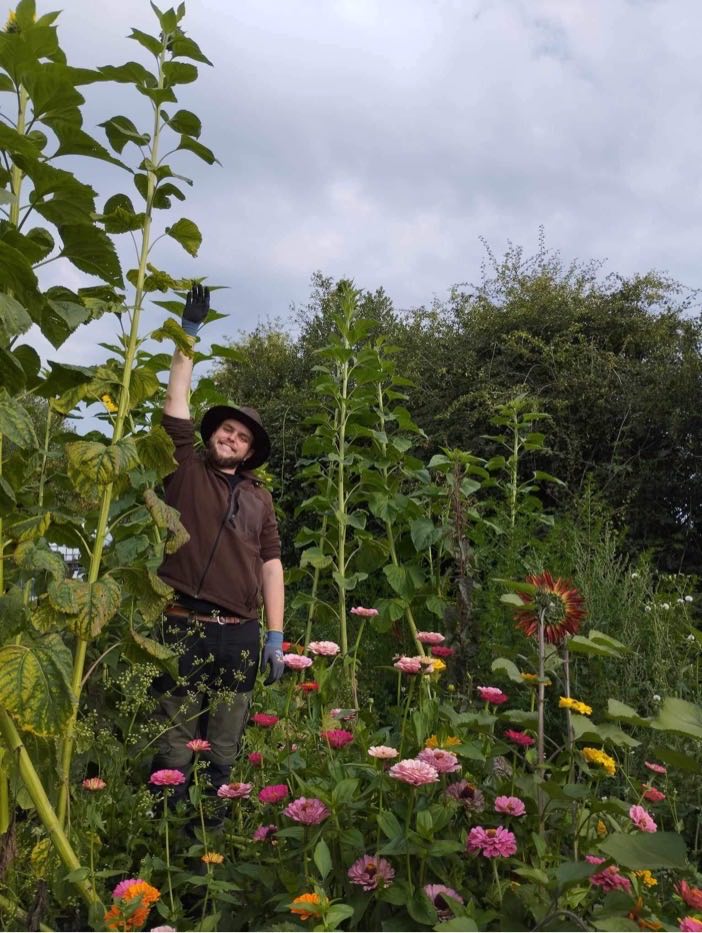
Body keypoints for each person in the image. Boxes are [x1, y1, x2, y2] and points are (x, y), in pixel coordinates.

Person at [150, 283, 285, 797]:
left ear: (250, 452)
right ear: (212, 435)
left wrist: (275, 635)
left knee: (224, 748)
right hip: (183, 624)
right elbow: (176, 399)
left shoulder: (259, 498)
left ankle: (212, 837)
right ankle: (170, 840)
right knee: (175, 747)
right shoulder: (185, 467)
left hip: (240, 634)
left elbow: (271, 565)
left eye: (242, 436)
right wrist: (189, 333)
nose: (231, 437)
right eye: (226, 430)